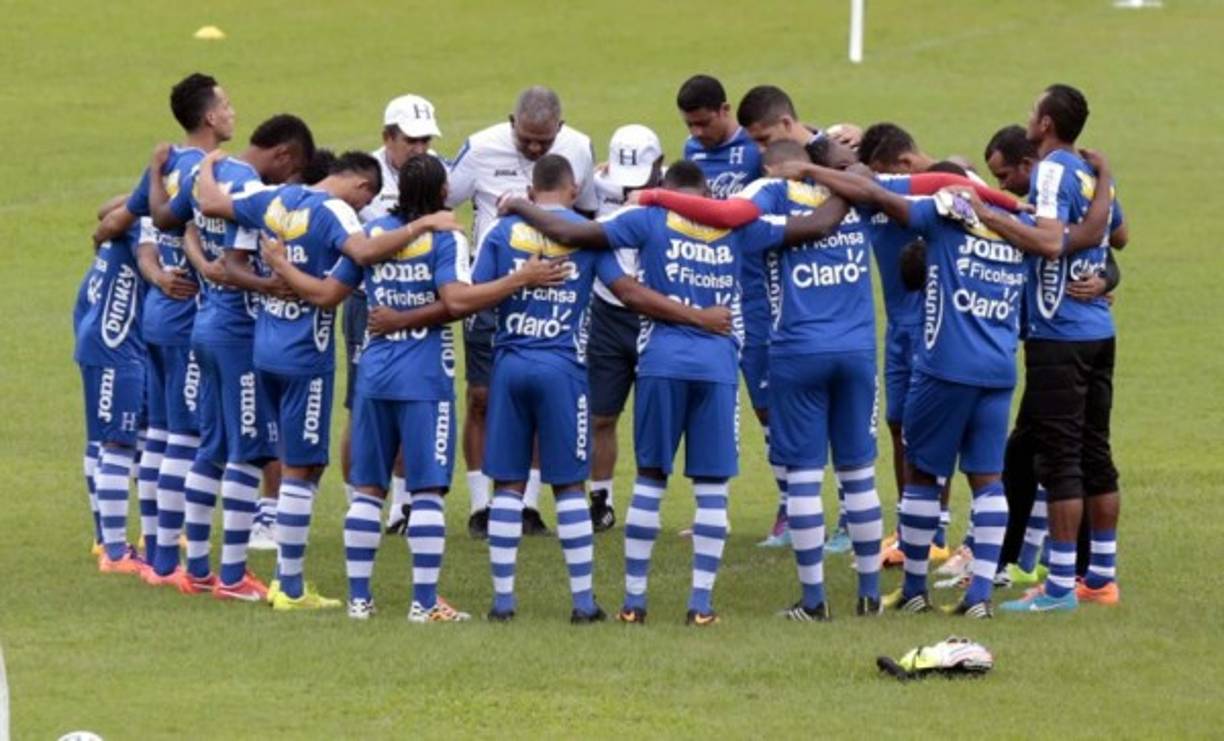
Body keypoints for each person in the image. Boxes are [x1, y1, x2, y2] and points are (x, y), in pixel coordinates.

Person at [504, 160, 858, 625]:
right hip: (717, 368)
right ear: (707, 191)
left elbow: (571, 233)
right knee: (711, 489)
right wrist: (850, 180)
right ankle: (701, 606)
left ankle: (634, 603)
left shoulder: (646, 218)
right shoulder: (741, 224)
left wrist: (519, 205)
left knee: (650, 480)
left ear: (666, 190)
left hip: (660, 365)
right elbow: (819, 224)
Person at [259, 154, 564, 621]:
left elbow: (324, 294)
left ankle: (360, 600)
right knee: (425, 492)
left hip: (374, 374)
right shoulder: (445, 239)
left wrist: (280, 264)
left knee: (367, 489)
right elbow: (457, 301)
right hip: (423, 378)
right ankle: (424, 603)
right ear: (444, 195)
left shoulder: (376, 235)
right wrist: (520, 278)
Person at [767, 158, 1061, 618]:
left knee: (922, 474)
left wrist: (809, 169)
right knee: (987, 480)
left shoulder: (943, 219)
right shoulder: (1018, 231)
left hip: (944, 368)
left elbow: (877, 197)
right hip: (1000, 369)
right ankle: (980, 596)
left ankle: (915, 589)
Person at [196, 148, 460, 609]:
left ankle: (238, 572)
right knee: (302, 468)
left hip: (264, 347)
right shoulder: (337, 211)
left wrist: (205, 164)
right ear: (360, 186)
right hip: (306, 355)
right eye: (366, 200)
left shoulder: (276, 199)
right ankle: (290, 585)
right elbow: (355, 259)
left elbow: (212, 204)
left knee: (258, 452)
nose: (362, 211)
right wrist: (422, 225)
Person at [645, 139, 885, 618]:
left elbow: (725, 215)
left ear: (777, 167)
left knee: (802, 477)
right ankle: (870, 595)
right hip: (858, 350)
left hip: (797, 351)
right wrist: (856, 178)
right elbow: (944, 179)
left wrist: (655, 196)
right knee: (858, 474)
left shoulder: (771, 194)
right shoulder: (862, 195)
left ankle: (815, 601)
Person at [483, 155, 728, 622]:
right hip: (562, 367)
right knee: (570, 486)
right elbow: (627, 293)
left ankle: (502, 603)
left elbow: (478, 296)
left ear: (533, 192)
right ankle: (582, 604)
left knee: (509, 485)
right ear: (574, 190)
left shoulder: (501, 232)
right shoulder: (590, 237)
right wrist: (694, 313)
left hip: (510, 364)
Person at [143, 115, 316, 600]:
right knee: (248, 451)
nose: (289, 183)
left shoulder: (212, 173)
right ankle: (234, 577)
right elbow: (234, 258)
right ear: (283, 156)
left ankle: (196, 568)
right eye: (293, 171)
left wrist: (200, 262)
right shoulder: (248, 188)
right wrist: (267, 283)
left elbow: (171, 221)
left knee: (212, 447)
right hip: (238, 335)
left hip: (206, 326)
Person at [989, 85, 1128, 613]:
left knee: (1061, 459)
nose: (1028, 115)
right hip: (1099, 331)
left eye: (1033, 109)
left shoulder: (1050, 170)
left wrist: (989, 217)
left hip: (1059, 334)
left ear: (1046, 124)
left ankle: (1061, 587)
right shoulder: (1093, 174)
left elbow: (1047, 243)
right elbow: (1119, 236)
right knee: (1096, 454)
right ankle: (1102, 578)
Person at [445, 86, 598, 537]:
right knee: (482, 397)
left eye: (543, 141)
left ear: (561, 129)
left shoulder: (580, 149)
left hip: (556, 292)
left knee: (533, 395)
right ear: (511, 123)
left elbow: (585, 211)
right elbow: (443, 200)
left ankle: (527, 503)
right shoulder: (478, 148)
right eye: (526, 138)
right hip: (493, 287)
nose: (534, 148)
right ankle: (479, 505)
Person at [99, 74, 235, 575]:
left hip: (157, 315)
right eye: (226, 104)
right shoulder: (213, 174)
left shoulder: (167, 166)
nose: (233, 111)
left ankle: (158, 547)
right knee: (182, 437)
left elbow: (132, 221)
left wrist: (149, 268)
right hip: (186, 321)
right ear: (209, 117)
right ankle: (164, 559)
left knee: (157, 436)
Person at [676, 75, 784, 545]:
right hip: (706, 292)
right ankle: (710, 511)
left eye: (703, 124)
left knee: (766, 406)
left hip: (754, 294)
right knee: (710, 401)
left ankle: (790, 505)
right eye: (690, 126)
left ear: (724, 110)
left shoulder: (754, 150)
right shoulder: (690, 150)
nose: (698, 134)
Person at [345, 94, 444, 533]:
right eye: (411, 140)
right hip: (369, 303)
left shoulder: (432, 168)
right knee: (361, 403)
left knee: (415, 403)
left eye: (425, 140)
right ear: (388, 137)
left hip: (419, 300)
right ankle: (359, 503)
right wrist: (418, 228)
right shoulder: (363, 177)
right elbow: (361, 250)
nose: (420, 149)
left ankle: (402, 508)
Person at [587, 124, 665, 531]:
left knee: (654, 416)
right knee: (601, 414)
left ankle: (647, 503)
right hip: (607, 313)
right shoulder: (596, 184)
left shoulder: (675, 196)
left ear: (659, 165)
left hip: (656, 314)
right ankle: (600, 498)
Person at [76, 213, 154, 573]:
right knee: (118, 443)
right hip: (116, 346)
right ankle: (115, 551)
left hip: (105, 341)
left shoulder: (126, 221)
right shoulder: (144, 228)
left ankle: (105, 538)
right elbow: (152, 270)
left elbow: (105, 216)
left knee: (110, 439)